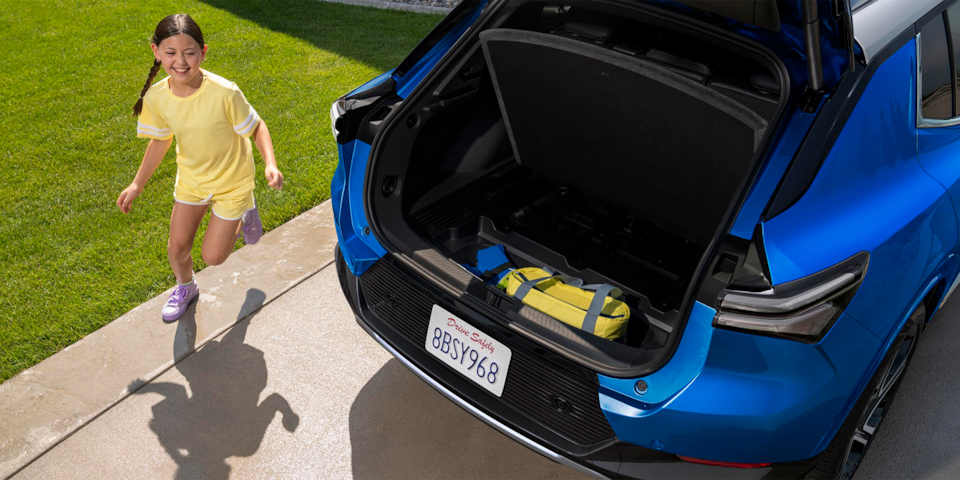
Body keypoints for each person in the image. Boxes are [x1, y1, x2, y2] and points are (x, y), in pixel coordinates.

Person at [117, 14, 283, 322]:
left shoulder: (224, 92)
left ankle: (246, 207)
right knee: (177, 247)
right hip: (192, 181)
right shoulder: (156, 97)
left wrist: (270, 165)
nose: (180, 61)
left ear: (203, 52)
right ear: (156, 52)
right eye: (170, 53)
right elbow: (160, 142)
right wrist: (136, 184)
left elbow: (257, 126)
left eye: (189, 53)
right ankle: (186, 287)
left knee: (214, 257)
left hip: (233, 182)